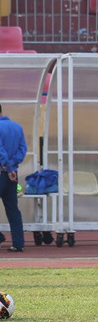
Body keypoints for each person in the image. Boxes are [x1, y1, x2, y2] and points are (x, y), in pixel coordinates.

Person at [0, 104, 28, 252]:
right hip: (12, 175)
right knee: (13, 209)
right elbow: (23, 148)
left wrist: (6, 165)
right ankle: (18, 243)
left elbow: (0, 150)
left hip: (2, 170)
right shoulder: (17, 127)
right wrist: (12, 167)